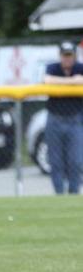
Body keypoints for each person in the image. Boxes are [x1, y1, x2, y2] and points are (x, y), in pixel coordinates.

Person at [43, 41, 83, 195]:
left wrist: (61, 84)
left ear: (74, 56)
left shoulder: (80, 67)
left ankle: (74, 194)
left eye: (70, 55)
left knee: (76, 161)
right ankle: (59, 195)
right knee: (56, 161)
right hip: (55, 119)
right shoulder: (53, 67)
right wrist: (73, 82)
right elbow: (47, 80)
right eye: (64, 55)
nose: (67, 59)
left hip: (75, 120)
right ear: (60, 56)